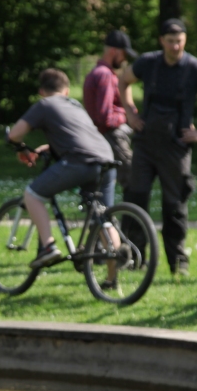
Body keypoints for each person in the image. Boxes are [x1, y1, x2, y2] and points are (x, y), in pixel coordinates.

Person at [118, 18, 197, 276]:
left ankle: (178, 264)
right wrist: (131, 114)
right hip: (145, 145)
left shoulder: (195, 68)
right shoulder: (148, 62)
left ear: (185, 40)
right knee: (135, 199)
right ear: (161, 41)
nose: (175, 46)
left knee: (175, 206)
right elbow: (123, 81)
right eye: (170, 41)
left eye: (179, 41)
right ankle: (134, 258)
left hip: (176, 148)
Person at [6, 68, 118, 275]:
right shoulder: (75, 106)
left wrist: (20, 147)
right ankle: (112, 278)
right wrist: (48, 148)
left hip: (80, 161)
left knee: (32, 194)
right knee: (102, 215)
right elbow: (79, 137)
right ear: (66, 91)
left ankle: (48, 246)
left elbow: (15, 134)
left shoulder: (44, 104)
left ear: (41, 91)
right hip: (106, 158)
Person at [83, 29, 137, 199]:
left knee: (103, 185)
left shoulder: (96, 73)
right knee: (134, 180)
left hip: (101, 137)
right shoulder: (105, 76)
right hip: (112, 137)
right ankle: (132, 223)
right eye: (124, 54)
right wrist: (126, 116)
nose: (125, 59)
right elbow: (105, 117)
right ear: (114, 51)